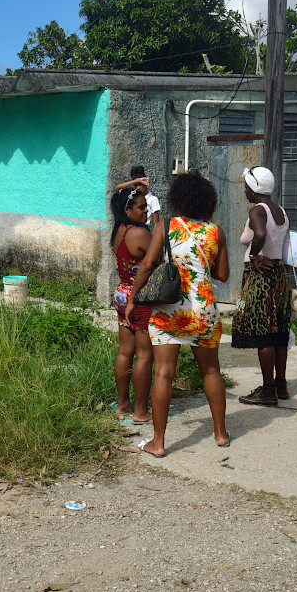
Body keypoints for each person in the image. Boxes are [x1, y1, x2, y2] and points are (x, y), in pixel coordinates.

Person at [126, 171, 231, 456]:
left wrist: (134, 298)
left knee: (163, 373)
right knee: (211, 371)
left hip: (170, 311)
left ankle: (158, 443)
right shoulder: (215, 232)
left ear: (178, 198)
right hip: (204, 311)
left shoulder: (167, 226)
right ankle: (220, 434)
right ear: (207, 201)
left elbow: (147, 266)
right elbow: (223, 274)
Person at [231, 166, 292, 405]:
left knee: (264, 333)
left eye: (247, 186)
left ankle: (267, 391)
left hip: (261, 277)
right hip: (279, 276)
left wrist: (255, 255)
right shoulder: (281, 211)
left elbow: (259, 234)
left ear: (255, 189)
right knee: (278, 333)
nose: (245, 190)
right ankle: (280, 386)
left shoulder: (257, 209)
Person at [110, 187, 154, 424]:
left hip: (121, 294)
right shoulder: (140, 234)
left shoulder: (119, 230)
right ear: (127, 210)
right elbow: (157, 260)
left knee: (125, 351)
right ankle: (140, 411)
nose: (146, 210)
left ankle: (123, 404)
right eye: (141, 207)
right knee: (145, 356)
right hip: (139, 299)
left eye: (146, 206)